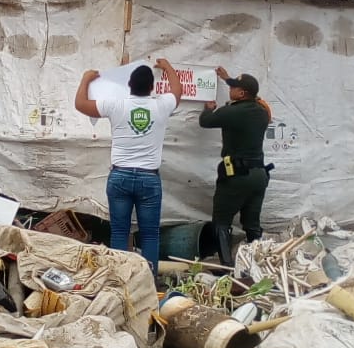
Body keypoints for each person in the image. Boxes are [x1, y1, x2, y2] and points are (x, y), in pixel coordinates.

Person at [75, 59, 182, 273]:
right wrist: (167, 67)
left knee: (119, 233)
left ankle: (119, 279)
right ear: (152, 87)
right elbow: (177, 91)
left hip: (120, 177)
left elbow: (81, 104)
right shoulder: (162, 105)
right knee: (150, 235)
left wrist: (86, 78)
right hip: (149, 179)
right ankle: (148, 281)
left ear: (129, 84)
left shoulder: (116, 105)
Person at [199, 67, 272, 266]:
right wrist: (227, 79)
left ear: (242, 93)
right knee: (252, 224)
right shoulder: (262, 112)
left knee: (221, 221)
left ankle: (227, 267)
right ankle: (258, 265)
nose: (230, 89)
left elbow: (205, 121)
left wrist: (208, 109)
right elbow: (253, 97)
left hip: (237, 176)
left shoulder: (232, 112)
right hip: (259, 175)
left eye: (234, 88)